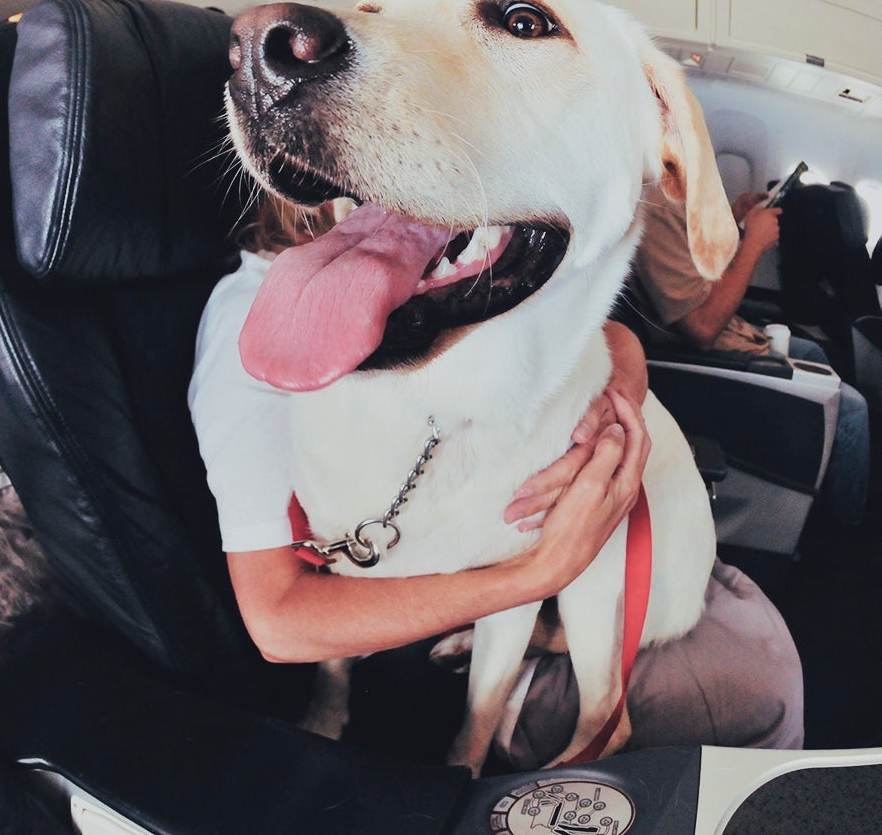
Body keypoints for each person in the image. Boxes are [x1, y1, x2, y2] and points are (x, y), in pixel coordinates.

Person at [188, 196, 803, 770]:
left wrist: (626, 367)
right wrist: (538, 574)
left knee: (763, 657)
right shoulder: (269, 337)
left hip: (557, 554)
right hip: (467, 590)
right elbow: (279, 618)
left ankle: (489, 742)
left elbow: (571, 338)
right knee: (764, 685)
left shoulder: (406, 286)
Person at [635, 184, 870, 527]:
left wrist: (733, 218)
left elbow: (691, 266)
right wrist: (753, 245)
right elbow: (702, 328)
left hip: (732, 336)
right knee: (852, 409)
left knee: (813, 352)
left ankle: (817, 500)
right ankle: (844, 542)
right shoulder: (654, 204)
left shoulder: (668, 195)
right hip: (704, 358)